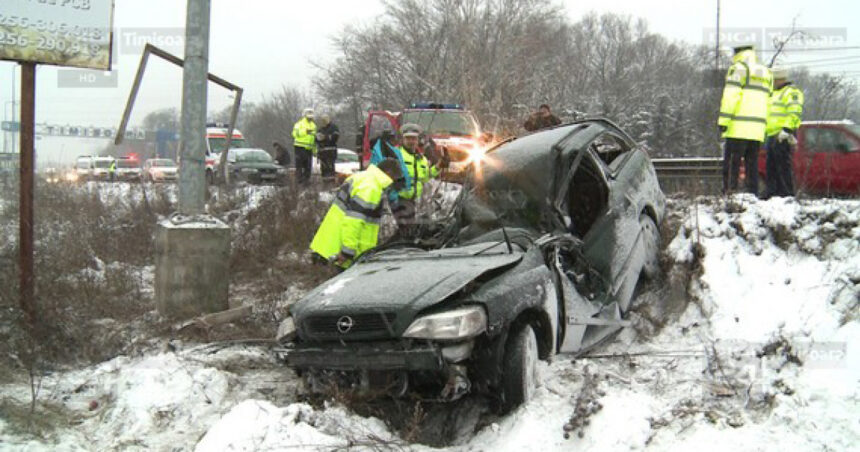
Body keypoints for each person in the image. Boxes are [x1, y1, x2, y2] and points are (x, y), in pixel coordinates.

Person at [309, 158, 405, 269]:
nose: (393, 184)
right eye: (395, 179)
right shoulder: (371, 188)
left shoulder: (362, 177)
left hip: (329, 245)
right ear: (388, 174)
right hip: (340, 254)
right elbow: (354, 221)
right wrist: (347, 252)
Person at [369, 123, 445, 232]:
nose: (411, 141)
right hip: (398, 200)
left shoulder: (421, 159)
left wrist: (438, 166)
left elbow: (424, 177)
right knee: (403, 231)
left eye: (413, 139)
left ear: (418, 140)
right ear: (403, 140)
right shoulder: (396, 155)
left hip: (413, 201)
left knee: (410, 231)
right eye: (408, 138)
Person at [718, 44, 773, 195]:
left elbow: (731, 96)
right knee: (752, 164)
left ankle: (730, 192)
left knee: (732, 163)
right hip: (757, 129)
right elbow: (769, 101)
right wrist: (765, 126)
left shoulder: (739, 69)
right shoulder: (766, 72)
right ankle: (752, 194)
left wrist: (723, 120)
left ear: (737, 53)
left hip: (738, 127)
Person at [764, 67, 804, 198]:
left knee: (783, 166)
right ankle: (772, 192)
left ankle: (786, 193)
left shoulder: (791, 92)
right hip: (772, 134)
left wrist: (787, 130)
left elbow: (794, 112)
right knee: (771, 167)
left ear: (779, 79)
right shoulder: (774, 94)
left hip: (783, 134)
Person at [292, 108, 317, 184]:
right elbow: (294, 134)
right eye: (309, 117)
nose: (310, 118)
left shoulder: (313, 126)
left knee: (308, 167)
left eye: (311, 117)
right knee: (299, 167)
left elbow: (314, 139)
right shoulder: (299, 124)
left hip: (309, 149)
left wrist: (315, 150)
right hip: (300, 147)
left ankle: (306, 183)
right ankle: (298, 183)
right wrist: (305, 132)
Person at [315, 114, 340, 182]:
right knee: (323, 170)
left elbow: (335, 137)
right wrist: (318, 138)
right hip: (322, 153)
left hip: (330, 153)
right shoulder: (320, 129)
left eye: (325, 119)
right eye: (322, 120)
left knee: (330, 169)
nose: (324, 121)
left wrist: (325, 137)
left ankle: (331, 184)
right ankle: (325, 184)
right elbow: (316, 139)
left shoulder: (333, 127)